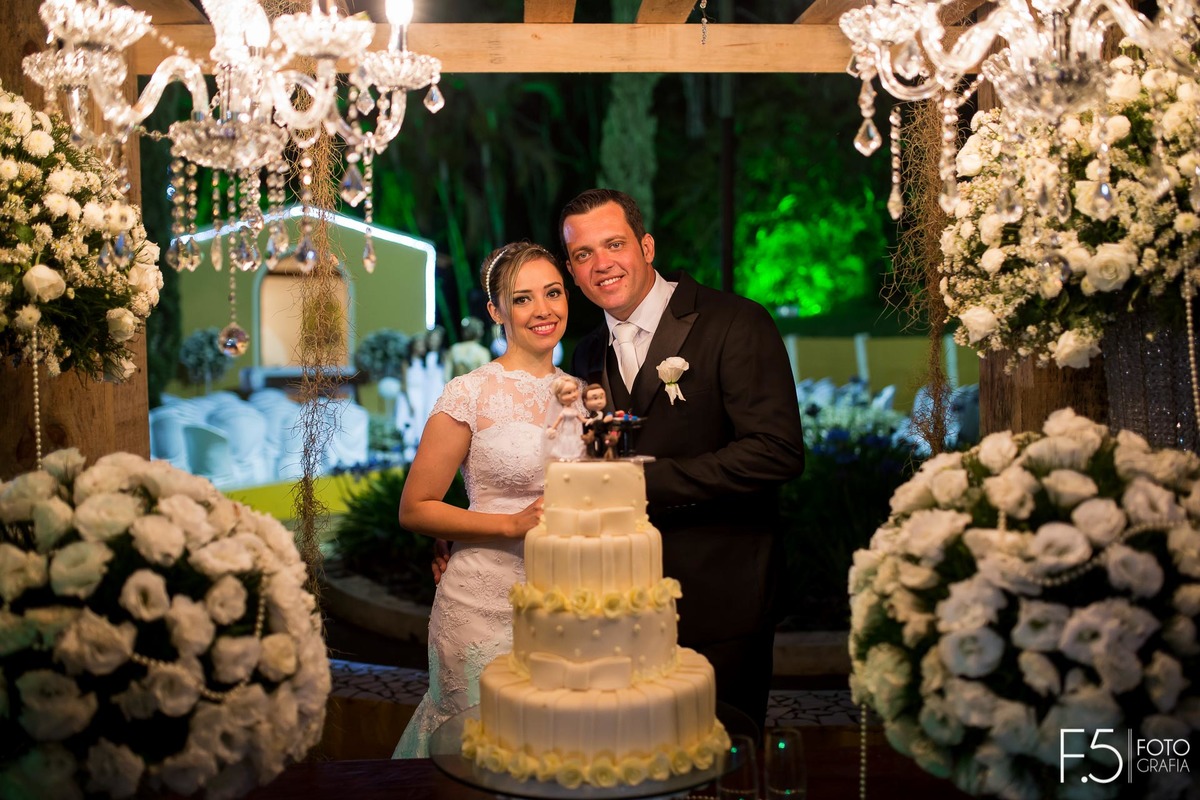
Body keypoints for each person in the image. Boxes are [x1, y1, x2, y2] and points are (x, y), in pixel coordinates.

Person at [560, 188, 806, 738]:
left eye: (615, 244)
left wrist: (644, 482)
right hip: (620, 601)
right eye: (583, 255)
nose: (602, 264)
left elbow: (778, 450)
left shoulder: (734, 322)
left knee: (723, 760)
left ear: (646, 246)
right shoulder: (585, 353)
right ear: (574, 273)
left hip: (721, 595)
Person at [392, 242, 582, 758]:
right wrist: (508, 524)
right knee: (477, 758)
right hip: (480, 607)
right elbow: (416, 506)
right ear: (496, 311)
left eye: (553, 293)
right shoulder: (469, 392)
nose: (543, 310)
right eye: (523, 299)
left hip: (565, 606)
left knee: (550, 755)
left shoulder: (583, 395)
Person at [543, 376, 586, 462]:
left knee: (573, 441)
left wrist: (589, 421)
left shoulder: (575, 410)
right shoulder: (563, 412)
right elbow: (557, 422)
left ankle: (573, 456)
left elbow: (582, 419)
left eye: (575, 390)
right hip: (566, 429)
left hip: (573, 430)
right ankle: (565, 456)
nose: (573, 395)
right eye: (568, 393)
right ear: (559, 396)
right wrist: (552, 429)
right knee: (565, 441)